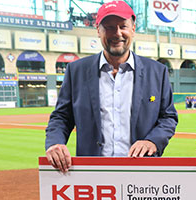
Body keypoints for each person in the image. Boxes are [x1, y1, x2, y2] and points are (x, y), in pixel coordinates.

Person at [45, 1, 178, 172]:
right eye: (108, 27)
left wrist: (153, 141)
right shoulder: (76, 70)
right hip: (93, 173)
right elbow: (61, 117)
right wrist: (55, 142)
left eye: (123, 26)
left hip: (143, 171)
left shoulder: (157, 72)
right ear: (98, 30)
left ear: (133, 29)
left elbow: (168, 117)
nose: (117, 33)